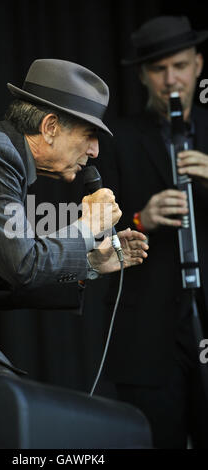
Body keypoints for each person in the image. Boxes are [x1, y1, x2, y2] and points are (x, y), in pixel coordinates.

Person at [0, 59, 148, 407]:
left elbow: (5, 275)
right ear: (50, 126)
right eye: (88, 134)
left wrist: (92, 262)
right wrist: (88, 225)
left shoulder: (3, 155)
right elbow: (23, 265)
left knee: (19, 403)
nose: (95, 150)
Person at [98, 16, 208, 448]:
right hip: (148, 334)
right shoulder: (116, 139)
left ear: (198, 65)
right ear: (142, 75)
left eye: (179, 66)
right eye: (158, 70)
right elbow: (94, 239)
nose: (170, 80)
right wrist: (141, 219)